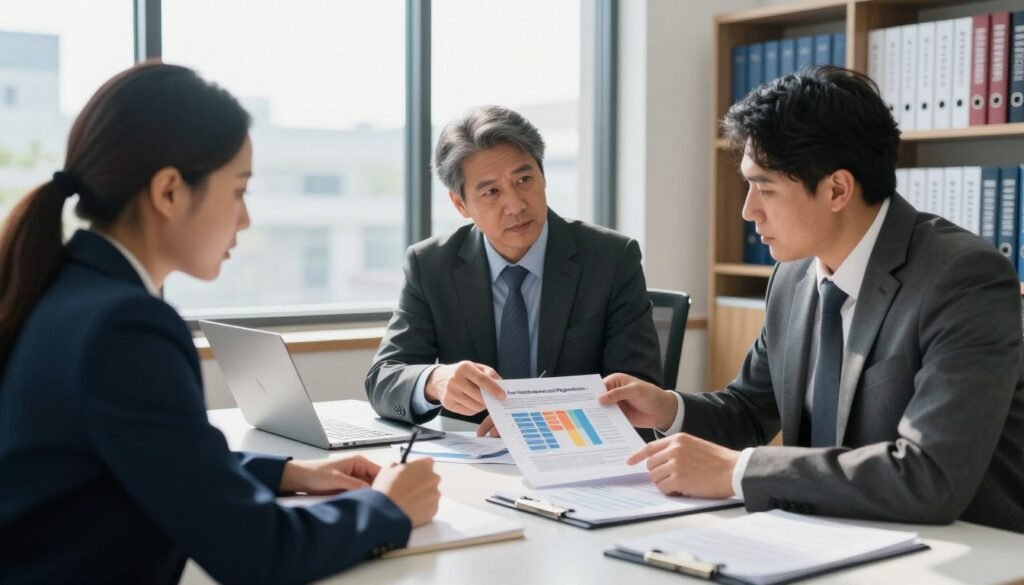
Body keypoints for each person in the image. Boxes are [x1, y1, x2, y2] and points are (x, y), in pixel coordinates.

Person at [0, 62, 441, 584]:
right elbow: (257, 552)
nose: (246, 218)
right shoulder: (126, 327)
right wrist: (387, 510)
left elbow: (143, 457)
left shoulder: (63, 289)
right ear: (168, 192)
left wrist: (285, 473)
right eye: (238, 191)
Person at [601, 66, 1024, 533]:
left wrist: (735, 472)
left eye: (764, 187)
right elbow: (750, 408)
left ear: (837, 189)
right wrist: (669, 408)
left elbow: (930, 475)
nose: (747, 210)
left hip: (966, 554)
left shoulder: (964, 279)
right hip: (829, 536)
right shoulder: (793, 275)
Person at [365, 105, 662, 434]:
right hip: (478, 461)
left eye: (524, 179)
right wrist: (434, 381)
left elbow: (638, 390)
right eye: (491, 192)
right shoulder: (431, 265)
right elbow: (383, 379)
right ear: (460, 204)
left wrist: (536, 418)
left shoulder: (611, 258)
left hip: (578, 453)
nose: (516, 205)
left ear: (543, 176)